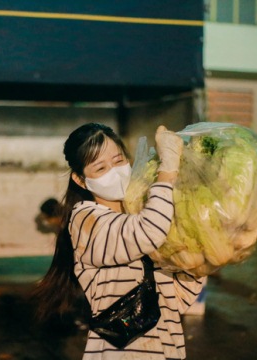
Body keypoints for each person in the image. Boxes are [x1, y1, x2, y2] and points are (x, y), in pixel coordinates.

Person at [34, 123, 205, 359]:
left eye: (118, 160)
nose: (114, 172)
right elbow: (147, 233)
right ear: (80, 180)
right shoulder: (86, 221)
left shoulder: (141, 214)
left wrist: (200, 260)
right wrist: (167, 172)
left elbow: (173, 301)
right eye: (101, 168)